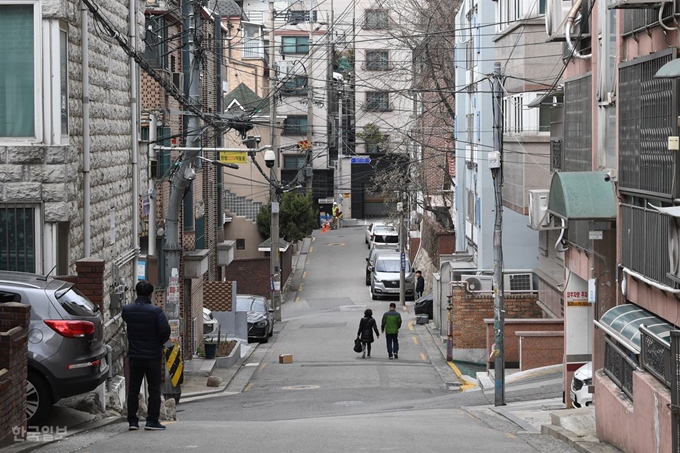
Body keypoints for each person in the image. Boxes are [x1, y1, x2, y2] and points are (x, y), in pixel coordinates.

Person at [122, 280, 171, 431]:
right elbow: (165, 331)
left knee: (133, 389)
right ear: (151, 294)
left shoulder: (127, 310)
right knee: (154, 389)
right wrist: (159, 343)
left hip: (135, 355)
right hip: (152, 356)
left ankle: (132, 421)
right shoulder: (156, 312)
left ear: (136, 292)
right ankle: (151, 421)